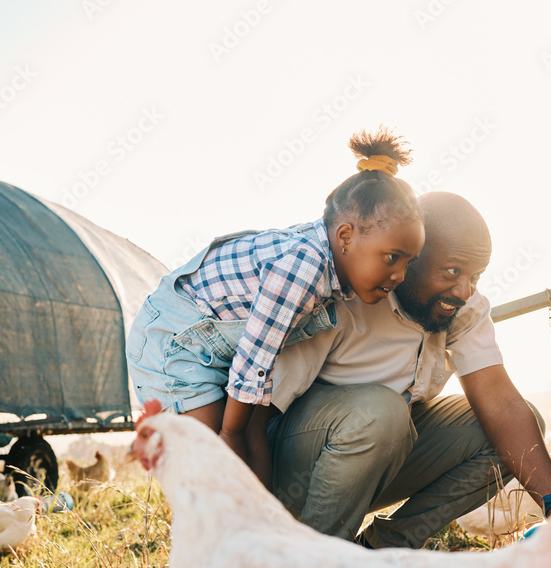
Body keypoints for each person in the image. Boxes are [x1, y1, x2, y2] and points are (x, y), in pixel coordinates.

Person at [263, 191, 551, 549]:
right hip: (286, 473)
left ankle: (380, 553)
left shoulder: (463, 307)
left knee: (519, 425)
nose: (463, 289)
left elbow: (501, 403)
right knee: (382, 411)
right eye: (452, 271)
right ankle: (316, 566)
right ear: (410, 256)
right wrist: (242, 516)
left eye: (475, 276)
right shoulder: (344, 294)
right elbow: (262, 409)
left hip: (374, 463)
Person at [126, 128, 426, 485]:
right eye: (393, 258)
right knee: (216, 464)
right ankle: (222, 529)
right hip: (175, 343)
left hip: (227, 351)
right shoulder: (304, 265)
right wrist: (232, 436)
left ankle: (265, 523)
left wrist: (247, 437)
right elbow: (254, 358)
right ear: (345, 237)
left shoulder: (330, 268)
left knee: (253, 445)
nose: (400, 275)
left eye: (409, 262)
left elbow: (259, 372)